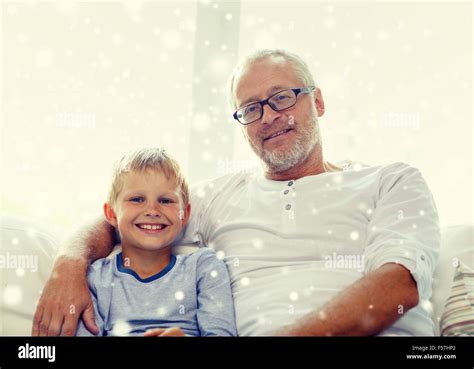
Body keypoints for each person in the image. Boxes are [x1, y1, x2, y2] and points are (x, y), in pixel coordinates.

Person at [32, 49, 440, 337]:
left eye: (282, 97)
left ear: (317, 101)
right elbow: (126, 218)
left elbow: (399, 285)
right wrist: (68, 266)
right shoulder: (219, 197)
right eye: (250, 109)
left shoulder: (391, 180)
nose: (269, 117)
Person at [75, 147, 236, 336]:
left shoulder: (204, 267)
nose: (152, 210)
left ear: (185, 214)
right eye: (137, 199)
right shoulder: (97, 278)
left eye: (166, 201)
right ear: (111, 213)